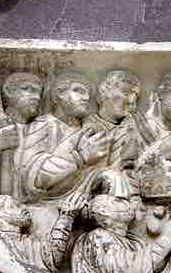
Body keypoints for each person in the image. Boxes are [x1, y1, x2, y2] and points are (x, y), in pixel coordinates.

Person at [15, 70, 107, 202]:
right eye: (79, 91)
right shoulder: (43, 125)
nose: (86, 98)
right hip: (50, 202)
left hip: (85, 199)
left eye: (87, 94)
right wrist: (80, 158)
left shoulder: (90, 129)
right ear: (59, 94)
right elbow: (31, 176)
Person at [0, 72, 44, 198]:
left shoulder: (41, 129)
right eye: (27, 89)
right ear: (8, 91)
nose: (36, 97)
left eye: (37, 92)